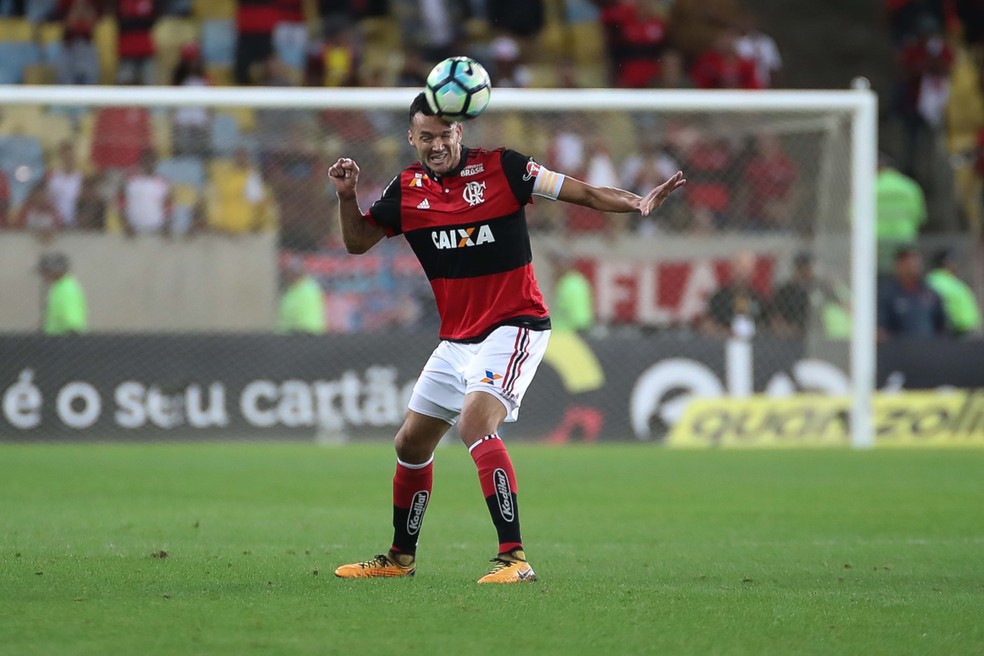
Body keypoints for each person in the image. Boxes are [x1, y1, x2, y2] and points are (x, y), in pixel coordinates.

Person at [328, 92, 685, 583]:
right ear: (411, 139)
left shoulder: (505, 168)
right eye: (425, 136)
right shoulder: (406, 187)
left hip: (514, 324)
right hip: (456, 339)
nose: (435, 145)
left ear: (461, 131)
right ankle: (399, 559)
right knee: (410, 443)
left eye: (444, 134)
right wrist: (348, 197)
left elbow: (579, 191)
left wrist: (636, 201)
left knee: (475, 425)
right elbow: (357, 242)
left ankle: (515, 559)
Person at [877, 246, 946, 340]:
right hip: (898, 351)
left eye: (915, 262)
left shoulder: (931, 294)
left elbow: (942, 325)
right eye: (907, 263)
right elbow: (881, 328)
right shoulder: (887, 294)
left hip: (929, 350)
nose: (912, 267)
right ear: (898, 265)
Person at [875, 155, 927, 271]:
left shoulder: (868, 187)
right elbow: (920, 217)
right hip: (904, 240)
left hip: (877, 242)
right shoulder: (910, 187)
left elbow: (853, 218)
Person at [701, 250, 769, 338]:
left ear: (753, 272)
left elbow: (769, 325)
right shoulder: (718, 297)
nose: (741, 273)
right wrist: (726, 332)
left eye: (745, 268)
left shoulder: (760, 298)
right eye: (738, 267)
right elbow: (707, 324)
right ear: (730, 269)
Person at [925, 248, 982, 336]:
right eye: (952, 260)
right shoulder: (935, 280)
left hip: (966, 328)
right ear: (945, 262)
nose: (955, 264)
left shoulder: (951, 279)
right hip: (954, 330)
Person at [37, 252, 87, 335]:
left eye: (46, 271)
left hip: (63, 340)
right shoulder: (57, 287)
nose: (43, 275)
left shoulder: (67, 289)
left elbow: (72, 324)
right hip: (55, 339)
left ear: (56, 270)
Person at [277, 256, 326, 334]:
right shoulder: (291, 288)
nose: (289, 275)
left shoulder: (307, 288)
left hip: (305, 330)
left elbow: (295, 311)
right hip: (291, 331)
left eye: (292, 272)